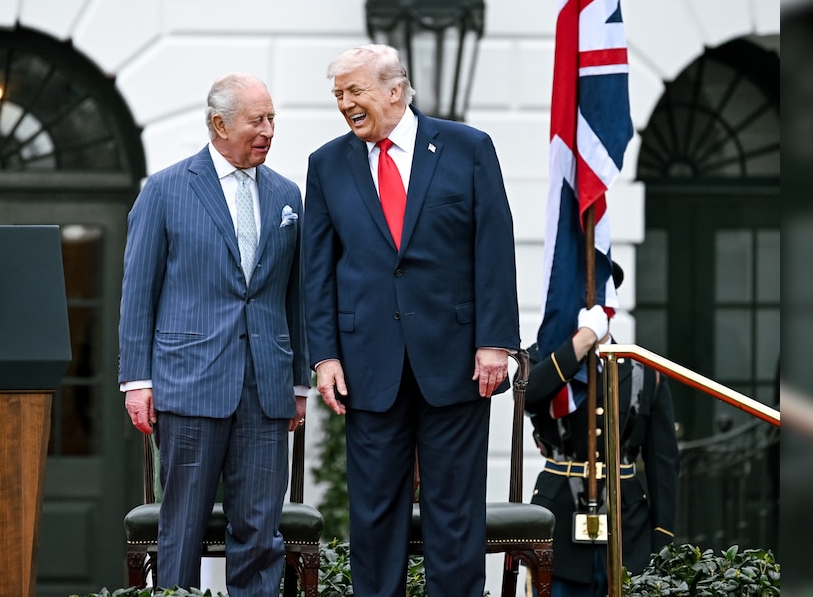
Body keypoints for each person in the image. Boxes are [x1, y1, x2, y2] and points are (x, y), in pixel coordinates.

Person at [302, 44, 520, 597]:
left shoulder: (468, 148)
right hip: (367, 365)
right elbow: (317, 268)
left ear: (394, 90)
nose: (345, 103)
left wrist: (495, 342)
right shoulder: (326, 164)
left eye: (355, 91)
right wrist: (324, 355)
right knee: (373, 516)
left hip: (457, 362)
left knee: (454, 513)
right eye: (338, 94)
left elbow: (493, 247)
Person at [118, 72, 310, 596]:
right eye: (258, 120)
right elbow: (138, 293)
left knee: (260, 532)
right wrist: (137, 380)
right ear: (219, 124)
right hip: (189, 385)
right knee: (180, 529)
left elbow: (295, 297)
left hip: (266, 390)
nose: (269, 130)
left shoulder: (287, 194)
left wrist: (297, 383)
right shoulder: (164, 189)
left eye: (272, 119)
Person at [525, 264, 679, 597]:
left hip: (628, 529)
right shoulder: (543, 359)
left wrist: (661, 536)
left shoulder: (641, 370)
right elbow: (528, 394)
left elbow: (663, 463)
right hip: (559, 525)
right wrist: (581, 343)